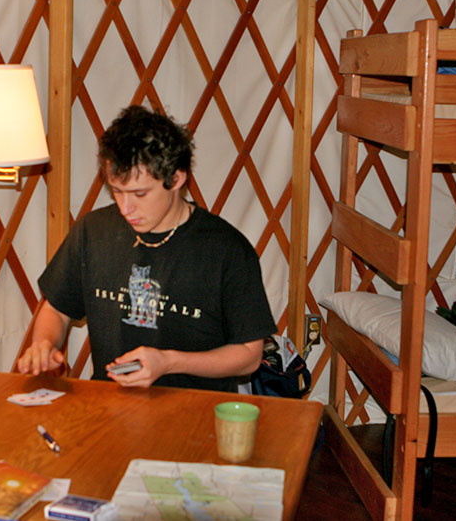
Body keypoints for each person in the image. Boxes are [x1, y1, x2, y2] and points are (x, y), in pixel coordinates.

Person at [16, 105, 276, 391]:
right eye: (117, 191)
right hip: (109, 405)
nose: (126, 208)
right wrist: (44, 343)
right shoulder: (93, 231)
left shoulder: (226, 249)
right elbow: (57, 309)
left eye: (140, 194)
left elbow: (249, 356)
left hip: (195, 413)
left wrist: (168, 362)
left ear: (177, 178)